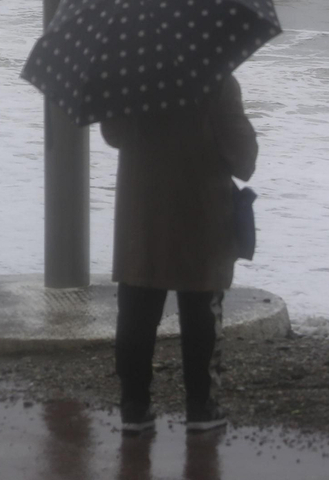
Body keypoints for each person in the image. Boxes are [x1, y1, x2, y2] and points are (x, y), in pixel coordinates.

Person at [100, 72, 258, 436]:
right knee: (201, 307)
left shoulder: (128, 76)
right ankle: (201, 406)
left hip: (141, 215)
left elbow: (113, 134)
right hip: (200, 211)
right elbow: (243, 158)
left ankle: (134, 407)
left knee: (136, 310)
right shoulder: (215, 81)